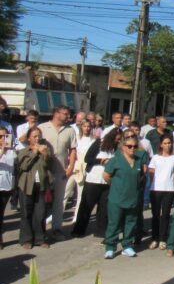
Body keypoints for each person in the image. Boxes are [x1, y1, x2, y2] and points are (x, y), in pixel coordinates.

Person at [71, 129, 120, 238]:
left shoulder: (117, 148)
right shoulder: (99, 143)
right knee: (86, 206)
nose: (118, 141)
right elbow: (87, 158)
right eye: (116, 139)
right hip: (93, 179)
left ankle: (101, 231)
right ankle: (79, 230)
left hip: (107, 181)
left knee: (104, 207)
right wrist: (101, 161)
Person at [38, 105, 77, 240]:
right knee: (41, 201)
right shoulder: (42, 128)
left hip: (61, 170)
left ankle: (57, 228)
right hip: (44, 170)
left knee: (59, 201)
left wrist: (71, 167)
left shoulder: (70, 130)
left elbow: (72, 150)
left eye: (68, 114)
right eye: (65, 114)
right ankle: (39, 230)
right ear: (56, 113)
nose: (68, 116)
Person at [103, 134, 144, 259]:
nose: (132, 148)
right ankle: (110, 247)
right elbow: (106, 175)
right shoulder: (116, 160)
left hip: (133, 197)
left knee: (130, 223)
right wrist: (116, 185)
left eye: (135, 146)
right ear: (123, 147)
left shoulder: (138, 161)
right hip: (117, 197)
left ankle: (127, 245)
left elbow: (140, 177)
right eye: (129, 146)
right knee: (114, 223)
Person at [17, 128, 54, 249]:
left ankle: (40, 238)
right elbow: (24, 165)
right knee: (26, 212)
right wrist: (34, 152)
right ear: (29, 139)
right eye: (34, 136)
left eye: (39, 136)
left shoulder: (45, 150)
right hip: (27, 185)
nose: (37, 139)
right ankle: (26, 239)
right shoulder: (24, 151)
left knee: (40, 212)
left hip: (41, 185)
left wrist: (45, 155)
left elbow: (48, 165)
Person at [148, 135, 174, 250]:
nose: (167, 145)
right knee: (155, 215)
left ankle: (163, 239)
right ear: (161, 145)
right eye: (165, 143)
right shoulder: (155, 158)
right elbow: (151, 171)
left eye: (169, 143)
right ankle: (154, 238)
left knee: (165, 215)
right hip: (155, 189)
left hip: (169, 189)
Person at [0, 126, 16, 248]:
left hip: (7, 186)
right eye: (0, 136)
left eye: (6, 136)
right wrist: (2, 151)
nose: (3, 139)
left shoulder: (12, 150)